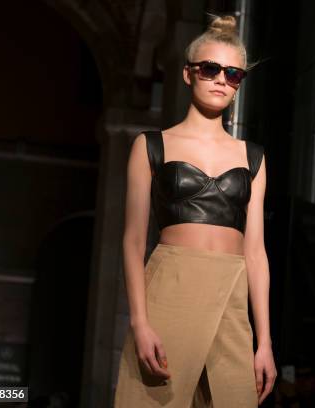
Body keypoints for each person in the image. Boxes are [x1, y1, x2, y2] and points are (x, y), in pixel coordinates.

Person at [113, 14, 276, 407]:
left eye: (233, 74)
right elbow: (134, 240)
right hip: (171, 287)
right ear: (189, 74)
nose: (222, 79)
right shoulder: (151, 146)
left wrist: (265, 341)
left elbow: (255, 252)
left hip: (232, 296)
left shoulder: (252, 157)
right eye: (211, 68)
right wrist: (139, 321)